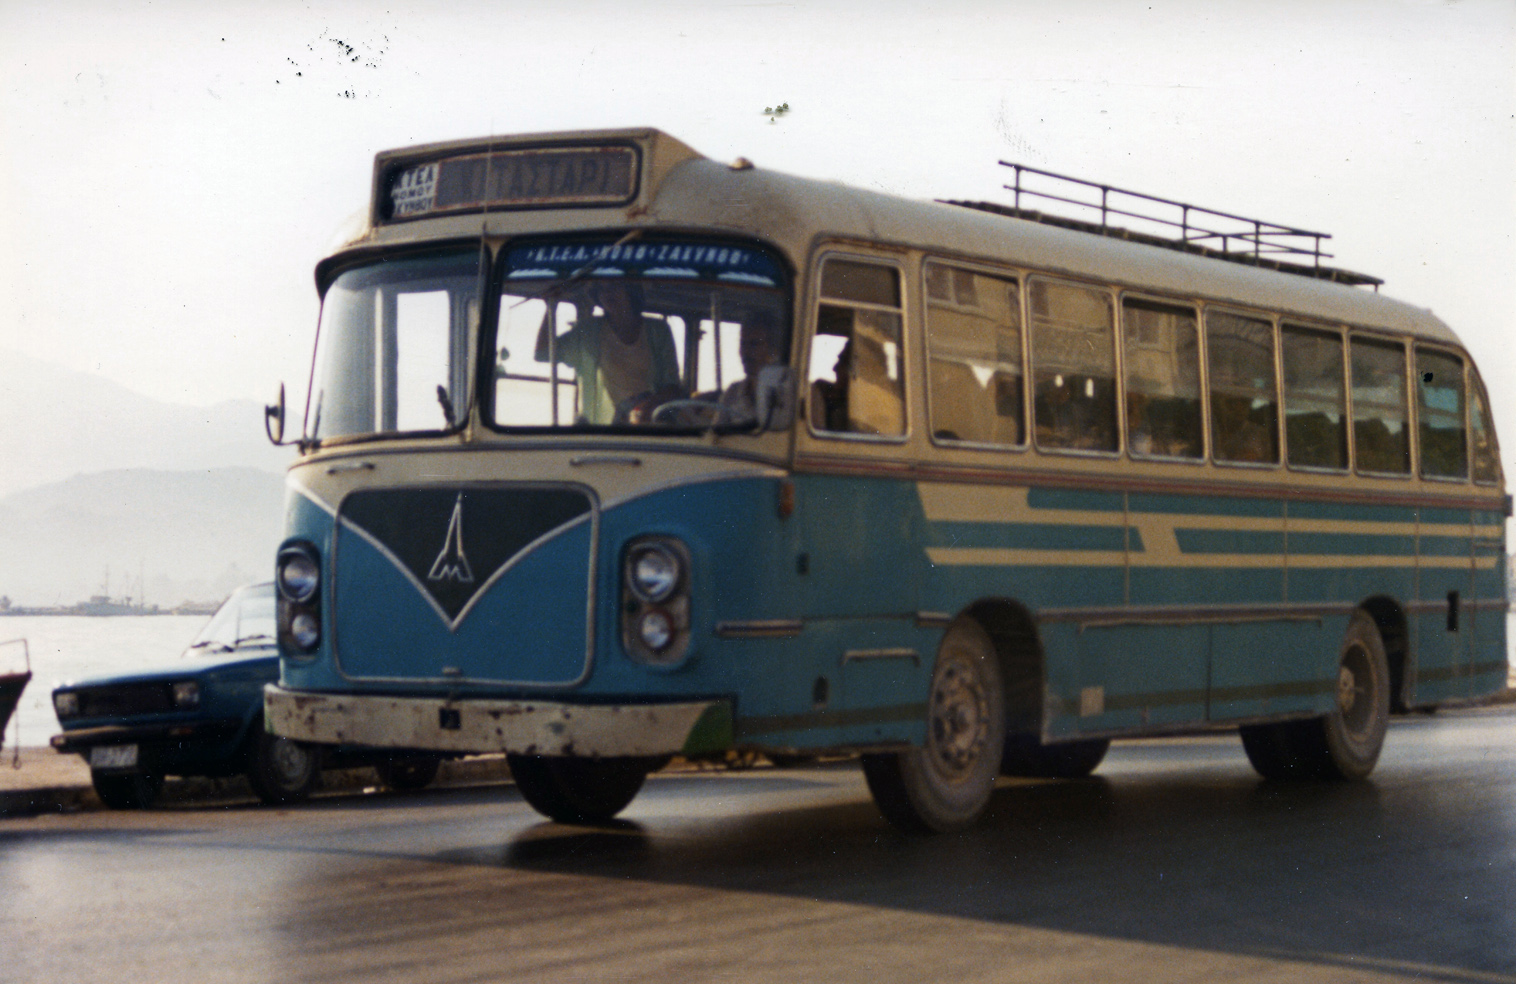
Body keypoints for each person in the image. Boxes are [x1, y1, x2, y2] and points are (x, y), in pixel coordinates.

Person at [534, 280, 680, 424]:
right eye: (601, 289)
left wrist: (646, 406)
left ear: (631, 290)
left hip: (648, 424)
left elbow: (672, 386)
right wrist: (550, 308)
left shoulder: (658, 330)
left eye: (614, 286)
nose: (607, 293)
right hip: (601, 430)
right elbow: (543, 353)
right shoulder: (588, 331)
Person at [719, 313, 791, 427]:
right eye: (743, 344)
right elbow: (715, 435)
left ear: (773, 349)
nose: (745, 352)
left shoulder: (788, 392)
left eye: (754, 344)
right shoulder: (732, 392)